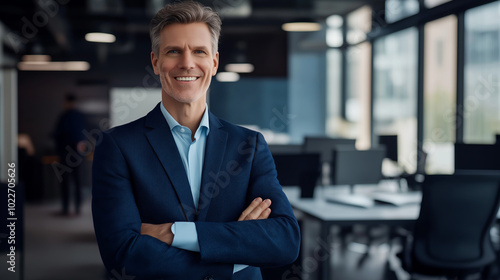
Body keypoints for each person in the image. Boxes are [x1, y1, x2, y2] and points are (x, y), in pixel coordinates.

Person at [91, 1, 300, 279]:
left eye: (199, 51)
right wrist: (235, 250)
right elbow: (123, 254)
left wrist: (175, 232)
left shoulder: (250, 146)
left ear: (213, 62)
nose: (187, 63)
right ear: (156, 62)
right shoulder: (117, 147)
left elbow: (284, 241)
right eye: (174, 51)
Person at [53, 93, 86, 215]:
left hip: (67, 153)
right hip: (76, 154)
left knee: (67, 182)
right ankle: (76, 208)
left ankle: (67, 208)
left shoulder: (65, 116)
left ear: (67, 102)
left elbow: (58, 134)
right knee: (76, 181)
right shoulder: (77, 116)